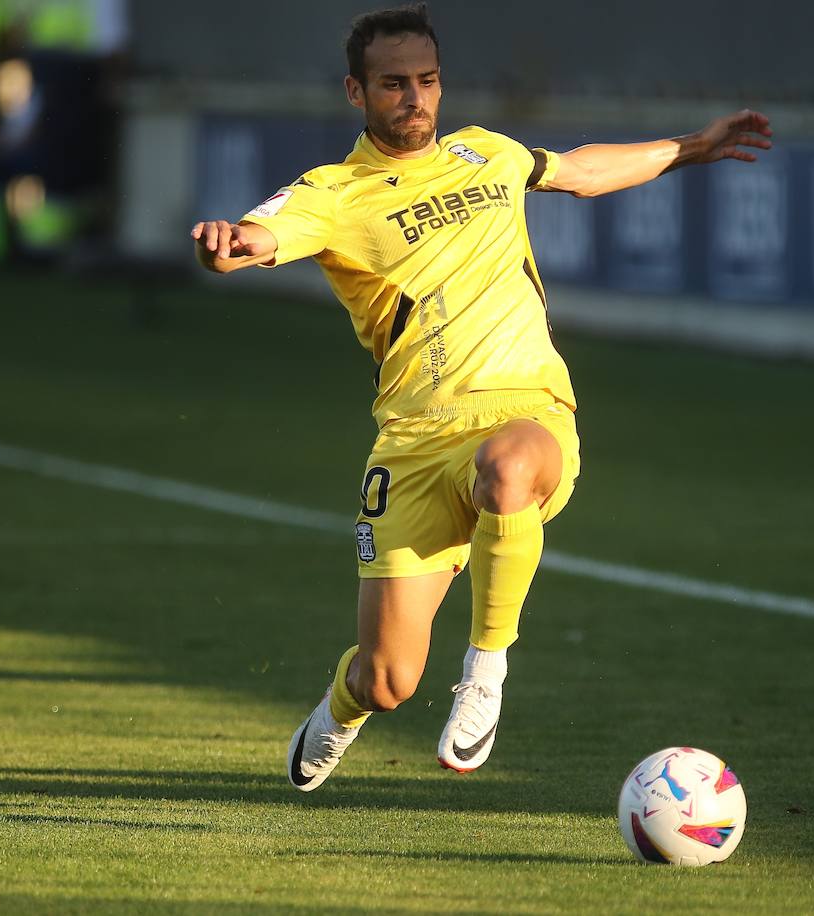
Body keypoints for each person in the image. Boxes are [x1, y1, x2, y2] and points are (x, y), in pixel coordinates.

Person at [190, 4, 772, 791]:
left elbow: (581, 170)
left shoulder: (487, 153)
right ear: (355, 93)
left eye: (427, 80)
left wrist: (690, 147)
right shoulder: (333, 193)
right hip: (415, 442)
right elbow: (260, 237)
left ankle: (486, 671)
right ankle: (341, 708)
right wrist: (228, 247)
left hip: (524, 411)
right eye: (393, 84)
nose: (416, 98)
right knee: (388, 677)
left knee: (509, 468)